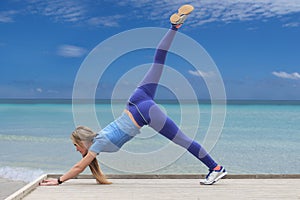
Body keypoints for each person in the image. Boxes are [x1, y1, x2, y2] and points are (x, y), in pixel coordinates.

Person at [40, 4, 227, 186]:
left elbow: (79, 167)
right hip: (137, 98)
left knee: (184, 141)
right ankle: (175, 27)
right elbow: (84, 164)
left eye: (76, 145)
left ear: (83, 141)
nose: (76, 149)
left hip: (143, 112)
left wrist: (58, 181)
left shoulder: (97, 144)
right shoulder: (99, 140)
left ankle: (215, 167)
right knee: (158, 60)